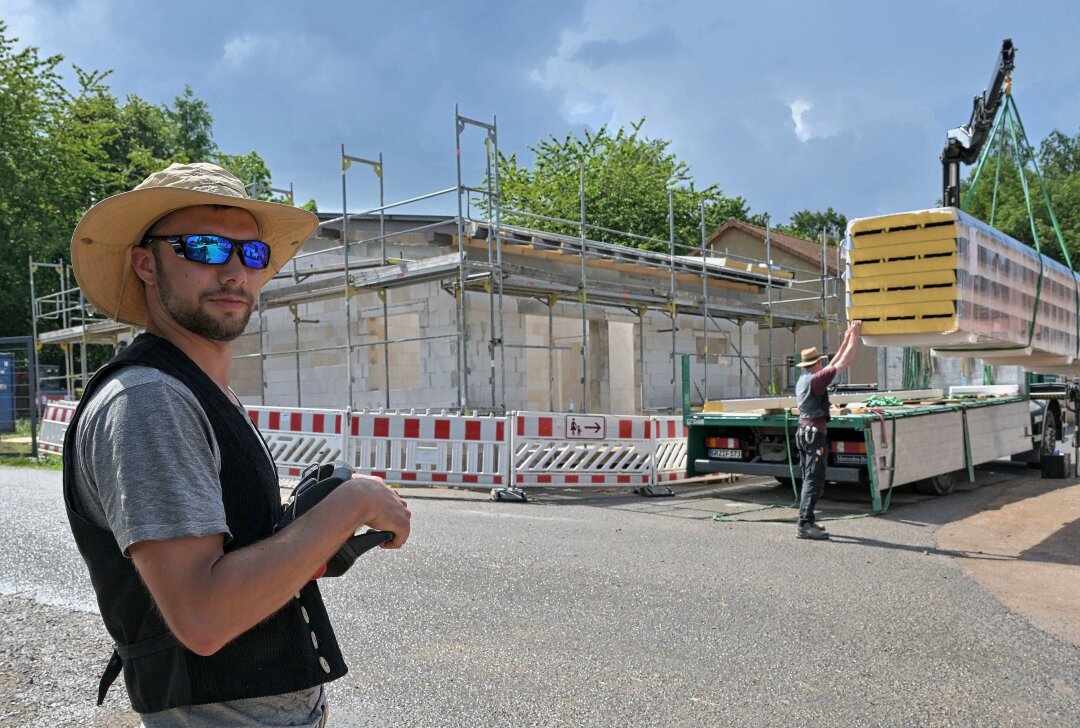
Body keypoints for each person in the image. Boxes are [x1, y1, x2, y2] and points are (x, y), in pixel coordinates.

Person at [62, 162, 412, 727]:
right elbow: (202, 616)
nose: (233, 271)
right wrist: (355, 503)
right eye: (203, 247)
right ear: (146, 263)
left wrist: (305, 535)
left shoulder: (199, 393)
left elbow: (234, 570)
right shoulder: (151, 402)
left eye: (251, 255)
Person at [792, 320, 862, 540]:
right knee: (814, 480)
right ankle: (804, 524)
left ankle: (809, 520)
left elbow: (833, 362)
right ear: (816, 364)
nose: (823, 364)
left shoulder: (805, 379)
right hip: (814, 435)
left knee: (809, 478)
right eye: (820, 362)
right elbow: (845, 362)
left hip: (803, 433)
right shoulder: (817, 379)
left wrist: (847, 338)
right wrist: (856, 336)